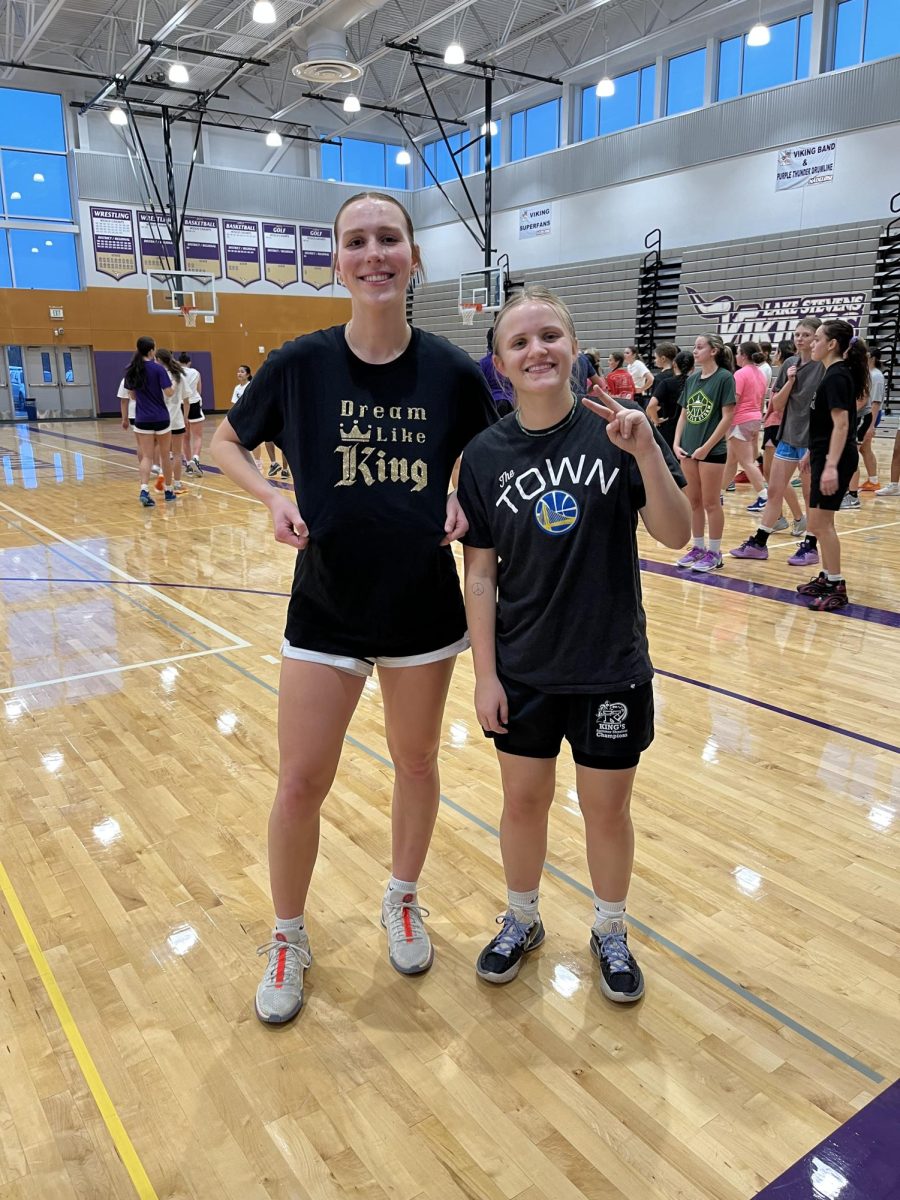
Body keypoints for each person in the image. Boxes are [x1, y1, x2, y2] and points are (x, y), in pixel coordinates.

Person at [210, 191, 496, 1025]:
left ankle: (402, 897)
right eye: (356, 241)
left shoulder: (449, 370)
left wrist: (464, 501)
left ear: (413, 257)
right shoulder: (301, 364)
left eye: (389, 239)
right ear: (337, 261)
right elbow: (221, 439)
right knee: (300, 781)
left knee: (416, 764)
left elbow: (491, 460)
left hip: (420, 610)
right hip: (326, 606)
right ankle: (288, 936)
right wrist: (267, 494)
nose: (374, 254)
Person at [457, 285, 689, 1001]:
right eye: (520, 343)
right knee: (522, 802)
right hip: (524, 668)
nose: (537, 350)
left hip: (609, 667)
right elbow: (481, 576)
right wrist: (485, 676)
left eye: (550, 335)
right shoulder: (485, 454)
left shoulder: (617, 434)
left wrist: (648, 450)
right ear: (500, 364)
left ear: (574, 345)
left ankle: (611, 928)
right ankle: (522, 918)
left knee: (607, 809)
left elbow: (676, 536)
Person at [729, 318, 823, 567]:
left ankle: (811, 546)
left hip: (811, 439)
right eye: (797, 334)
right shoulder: (790, 364)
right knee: (774, 490)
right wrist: (790, 381)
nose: (800, 338)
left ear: (817, 337)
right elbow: (777, 405)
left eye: (805, 334)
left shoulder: (824, 366)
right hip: (788, 435)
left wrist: (815, 445)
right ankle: (760, 542)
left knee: (809, 493)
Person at [796, 321, 865, 610]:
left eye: (816, 339)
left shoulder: (837, 376)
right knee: (818, 523)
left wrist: (831, 466)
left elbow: (842, 425)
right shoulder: (832, 374)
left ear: (832, 344)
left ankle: (837, 585)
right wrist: (812, 453)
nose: (811, 344)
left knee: (822, 525)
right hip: (823, 454)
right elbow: (825, 425)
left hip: (835, 458)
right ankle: (826, 576)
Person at [673, 334, 736, 573]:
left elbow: (728, 416)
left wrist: (707, 447)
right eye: (695, 347)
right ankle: (698, 547)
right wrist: (676, 443)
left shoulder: (724, 378)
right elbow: (684, 415)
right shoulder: (692, 379)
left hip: (711, 450)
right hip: (688, 449)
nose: (695, 351)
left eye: (700, 347)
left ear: (714, 351)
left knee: (711, 503)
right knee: (693, 502)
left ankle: (715, 552)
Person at [124, 336, 175, 507]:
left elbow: (132, 395)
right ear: (152, 350)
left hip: (142, 418)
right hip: (161, 417)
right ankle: (168, 490)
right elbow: (168, 392)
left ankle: (144, 489)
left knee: (146, 456)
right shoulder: (158, 369)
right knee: (165, 456)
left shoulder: (131, 369)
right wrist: (174, 386)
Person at [721, 342, 768, 506]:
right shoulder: (760, 374)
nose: (736, 356)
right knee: (732, 460)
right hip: (754, 419)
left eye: (738, 353)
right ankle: (719, 493)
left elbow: (734, 400)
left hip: (740, 420)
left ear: (744, 356)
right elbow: (762, 401)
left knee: (747, 462)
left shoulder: (740, 374)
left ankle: (764, 496)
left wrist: (724, 422)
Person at [155, 348, 189, 494]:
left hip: (161, 418)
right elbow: (187, 400)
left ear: (159, 360)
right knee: (176, 453)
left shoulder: (157, 375)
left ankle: (164, 478)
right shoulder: (179, 376)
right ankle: (176, 483)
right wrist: (186, 418)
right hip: (177, 419)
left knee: (164, 453)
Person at [852, 348, 884, 495]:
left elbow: (876, 402)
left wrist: (870, 426)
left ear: (872, 357)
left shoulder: (876, 375)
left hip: (870, 415)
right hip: (867, 415)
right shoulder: (867, 373)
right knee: (865, 449)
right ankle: (873, 480)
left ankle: (849, 488)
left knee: (853, 451)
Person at [647, 343, 688, 449]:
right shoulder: (685, 378)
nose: (654, 360)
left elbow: (653, 406)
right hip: (683, 423)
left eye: (655, 358)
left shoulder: (661, 378)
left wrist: (655, 419)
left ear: (663, 358)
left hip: (665, 422)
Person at [478, 328, 515, 416]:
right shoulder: (509, 360)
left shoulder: (483, 362)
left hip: (494, 401)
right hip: (509, 400)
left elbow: (482, 385)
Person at [179, 352, 204, 475]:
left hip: (180, 405)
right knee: (197, 436)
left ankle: (188, 464)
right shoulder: (195, 372)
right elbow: (199, 390)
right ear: (189, 362)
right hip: (193, 403)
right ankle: (196, 458)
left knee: (185, 437)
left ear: (179, 362)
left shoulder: (175, 372)